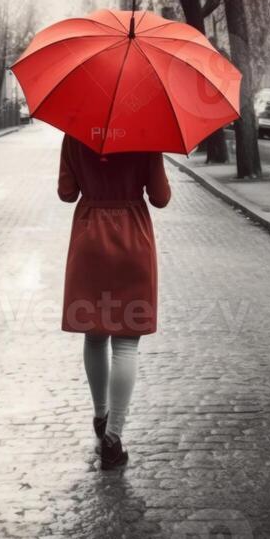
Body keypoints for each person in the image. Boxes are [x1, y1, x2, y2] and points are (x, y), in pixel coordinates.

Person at [57, 131, 171, 470]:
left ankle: (99, 416)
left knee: (94, 335)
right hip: (132, 238)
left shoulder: (74, 133)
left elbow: (66, 194)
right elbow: (160, 198)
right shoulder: (146, 132)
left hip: (90, 235)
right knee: (126, 344)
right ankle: (113, 438)